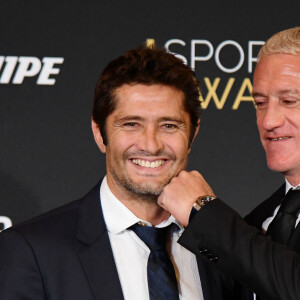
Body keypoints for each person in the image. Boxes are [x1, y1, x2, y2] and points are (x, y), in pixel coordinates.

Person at [0, 45, 236, 299]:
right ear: (99, 134)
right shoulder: (33, 251)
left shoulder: (224, 248)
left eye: (169, 125)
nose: (151, 144)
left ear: (192, 134)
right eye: (131, 124)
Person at [158, 27, 300, 300]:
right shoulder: (259, 222)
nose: (269, 121)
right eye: (260, 103)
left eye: (289, 101)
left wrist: (204, 212)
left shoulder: (229, 231)